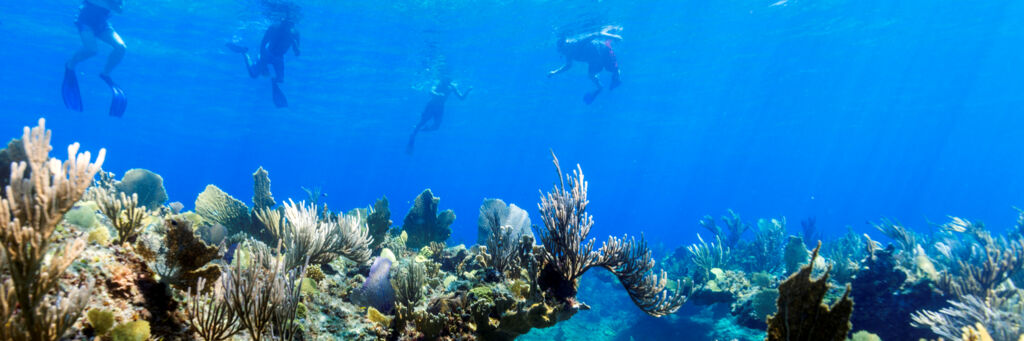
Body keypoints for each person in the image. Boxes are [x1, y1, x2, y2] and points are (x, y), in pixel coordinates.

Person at [63, 0, 128, 117]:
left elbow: (120, 10)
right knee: (92, 50)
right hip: (85, 20)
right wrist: (110, 4)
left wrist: (109, 4)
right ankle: (70, 64)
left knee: (121, 47)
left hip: (102, 23)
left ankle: (105, 74)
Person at [226, 17, 300, 108]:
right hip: (268, 53)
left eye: (290, 24)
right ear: (282, 21)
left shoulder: (295, 33)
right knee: (254, 75)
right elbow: (262, 45)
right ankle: (244, 52)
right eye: (286, 23)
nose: (288, 25)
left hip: (280, 57)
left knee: (280, 80)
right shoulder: (274, 28)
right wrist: (264, 64)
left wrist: (295, 46)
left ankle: (273, 83)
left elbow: (297, 53)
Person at [548, 25, 623, 104]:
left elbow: (596, 34)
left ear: (566, 45)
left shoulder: (576, 43)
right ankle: (600, 88)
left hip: (604, 51)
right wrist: (554, 72)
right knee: (591, 75)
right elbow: (568, 66)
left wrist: (614, 37)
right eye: (562, 51)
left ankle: (616, 78)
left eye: (563, 50)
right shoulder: (568, 53)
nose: (563, 53)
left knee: (614, 70)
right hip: (594, 60)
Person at [406, 77, 471, 154]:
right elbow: (431, 91)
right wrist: (437, 94)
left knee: (436, 127)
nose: (447, 81)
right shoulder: (438, 84)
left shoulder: (452, 86)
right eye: (446, 79)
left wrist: (468, 90)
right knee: (422, 123)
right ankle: (412, 137)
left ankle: (418, 130)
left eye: (449, 80)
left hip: (440, 108)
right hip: (431, 106)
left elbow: (461, 98)